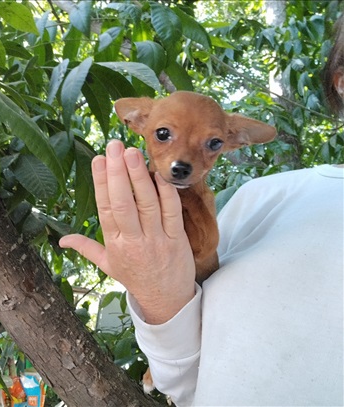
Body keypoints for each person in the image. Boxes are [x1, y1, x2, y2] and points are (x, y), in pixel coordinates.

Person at [60, 15, 344, 406]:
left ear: (232, 141)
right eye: (164, 135)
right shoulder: (259, 199)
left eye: (210, 144)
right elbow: (185, 372)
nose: (182, 159)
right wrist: (156, 298)